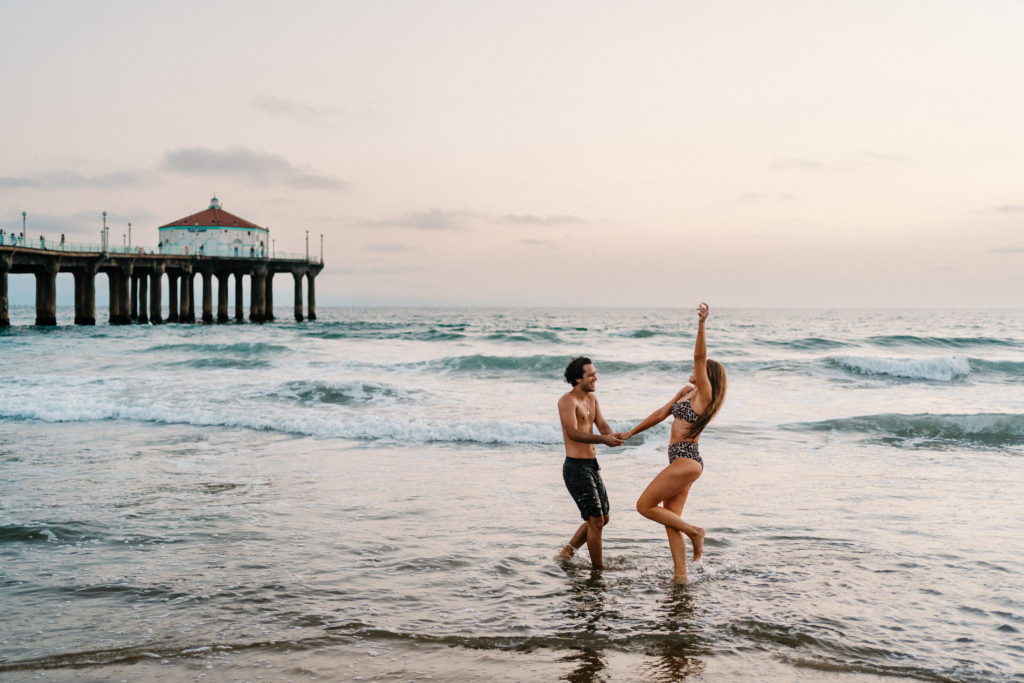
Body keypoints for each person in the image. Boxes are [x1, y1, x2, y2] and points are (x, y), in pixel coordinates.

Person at [627, 303, 727, 584]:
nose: (693, 370)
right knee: (671, 520)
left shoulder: (703, 397)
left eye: (700, 370)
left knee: (644, 506)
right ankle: (681, 577)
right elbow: (661, 413)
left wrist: (701, 325)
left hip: (687, 460)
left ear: (708, 376)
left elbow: (699, 356)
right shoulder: (686, 392)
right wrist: (631, 433)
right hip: (680, 461)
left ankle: (696, 532)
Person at [555, 356, 628, 568]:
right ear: (578, 379)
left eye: (595, 373)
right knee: (595, 521)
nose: (596, 378)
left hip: (592, 465)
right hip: (575, 468)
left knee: (603, 518)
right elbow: (573, 433)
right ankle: (598, 570)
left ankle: (566, 553)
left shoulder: (592, 400)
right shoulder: (567, 400)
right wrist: (602, 439)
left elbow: (602, 424)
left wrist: (613, 436)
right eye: (591, 375)